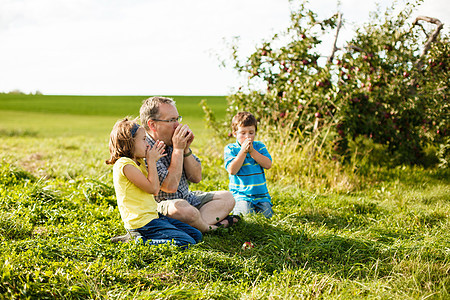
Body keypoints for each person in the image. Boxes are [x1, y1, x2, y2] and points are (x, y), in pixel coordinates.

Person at [139, 96, 239, 233]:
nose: (177, 125)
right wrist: (178, 149)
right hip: (163, 206)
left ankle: (193, 224)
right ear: (152, 124)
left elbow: (196, 177)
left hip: (188, 198)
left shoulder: (171, 141)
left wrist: (185, 149)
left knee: (228, 197)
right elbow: (170, 187)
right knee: (185, 210)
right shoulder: (145, 149)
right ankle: (210, 227)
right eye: (171, 120)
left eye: (177, 119)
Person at [106, 117, 202, 248]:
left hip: (153, 216)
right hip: (141, 222)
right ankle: (138, 240)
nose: (147, 144)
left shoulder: (138, 163)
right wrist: (151, 161)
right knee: (186, 242)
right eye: (144, 140)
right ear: (130, 142)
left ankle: (142, 237)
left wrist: (152, 160)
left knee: (196, 235)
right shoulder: (124, 164)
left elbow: (154, 187)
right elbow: (153, 189)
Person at [224, 112, 273, 218]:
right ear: (234, 133)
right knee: (246, 216)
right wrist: (243, 151)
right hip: (241, 195)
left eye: (251, 133)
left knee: (267, 216)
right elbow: (232, 170)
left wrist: (252, 152)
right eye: (243, 133)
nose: (247, 137)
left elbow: (268, 164)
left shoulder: (259, 147)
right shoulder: (231, 149)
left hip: (261, 195)